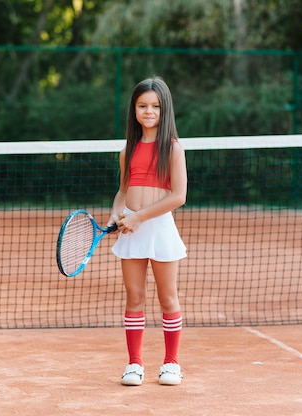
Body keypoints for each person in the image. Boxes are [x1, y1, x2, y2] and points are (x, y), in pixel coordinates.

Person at [107, 76, 187, 386]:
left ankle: (171, 363)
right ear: (134, 110)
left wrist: (140, 216)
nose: (149, 111)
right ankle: (134, 364)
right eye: (142, 106)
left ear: (164, 110)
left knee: (168, 298)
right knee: (135, 296)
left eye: (155, 106)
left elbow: (178, 196)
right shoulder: (128, 149)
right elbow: (123, 190)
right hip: (132, 229)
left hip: (158, 228)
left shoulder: (173, 149)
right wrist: (118, 212)